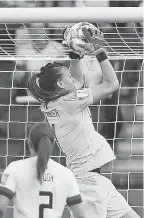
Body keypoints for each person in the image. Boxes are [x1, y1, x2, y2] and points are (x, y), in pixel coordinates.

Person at [27, 27, 140, 218]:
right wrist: (99, 51)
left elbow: (77, 80)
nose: (74, 78)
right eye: (68, 77)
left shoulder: (51, 103)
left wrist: (74, 51)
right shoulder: (71, 101)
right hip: (88, 181)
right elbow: (112, 84)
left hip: (92, 178)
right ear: (62, 85)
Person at [0, 122, 86, 218]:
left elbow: (1, 208)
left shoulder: (15, 168)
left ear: (29, 143)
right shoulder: (67, 174)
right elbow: (80, 215)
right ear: (53, 144)